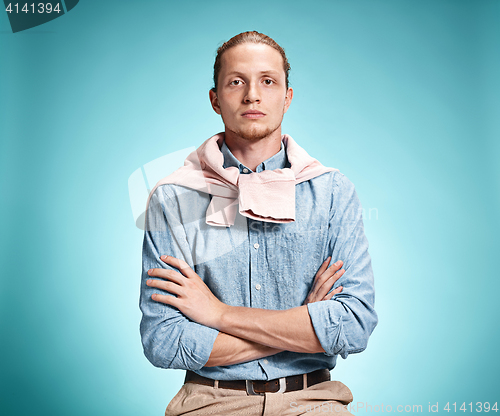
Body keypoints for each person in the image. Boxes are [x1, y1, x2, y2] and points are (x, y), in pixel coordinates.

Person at [139, 31, 378, 416]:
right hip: (209, 403)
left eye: (268, 81)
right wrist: (303, 326)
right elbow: (164, 341)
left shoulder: (334, 192)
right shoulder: (173, 199)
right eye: (237, 82)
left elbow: (353, 325)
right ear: (215, 99)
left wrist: (218, 315)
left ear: (287, 96)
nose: (252, 95)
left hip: (314, 403)